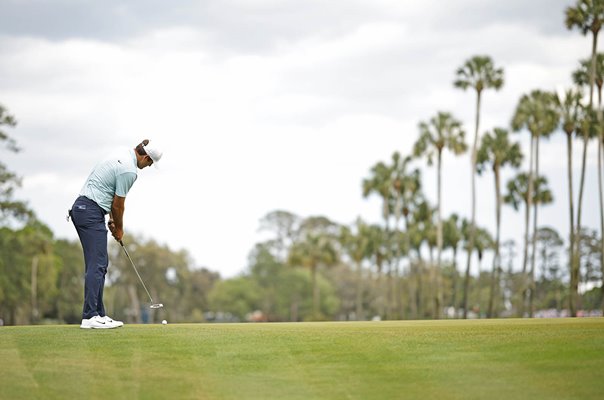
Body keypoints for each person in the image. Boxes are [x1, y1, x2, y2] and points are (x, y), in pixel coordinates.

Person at [69, 139, 162, 329]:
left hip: (86, 209)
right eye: (150, 163)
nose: (149, 166)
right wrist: (119, 229)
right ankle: (90, 316)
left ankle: (99, 314)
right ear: (145, 157)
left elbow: (111, 195)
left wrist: (111, 220)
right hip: (89, 211)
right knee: (97, 264)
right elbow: (119, 204)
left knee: (100, 263)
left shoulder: (122, 152)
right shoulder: (130, 171)